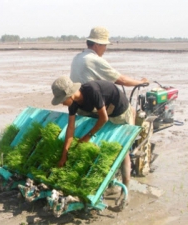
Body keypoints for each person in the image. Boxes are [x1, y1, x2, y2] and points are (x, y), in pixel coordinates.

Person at [51, 75, 134, 207]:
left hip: (119, 111)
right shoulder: (74, 104)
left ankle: (125, 189)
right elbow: (70, 129)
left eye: (62, 100)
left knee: (123, 148)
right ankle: (110, 182)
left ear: (69, 95)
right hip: (104, 110)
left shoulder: (92, 91)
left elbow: (104, 118)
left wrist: (88, 135)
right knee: (103, 144)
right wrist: (64, 155)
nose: (61, 103)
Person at [70, 26, 148, 87]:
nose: (105, 49)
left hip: (76, 102)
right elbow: (122, 80)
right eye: (105, 45)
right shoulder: (95, 60)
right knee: (126, 106)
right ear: (97, 45)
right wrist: (141, 82)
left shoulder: (77, 57)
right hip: (90, 104)